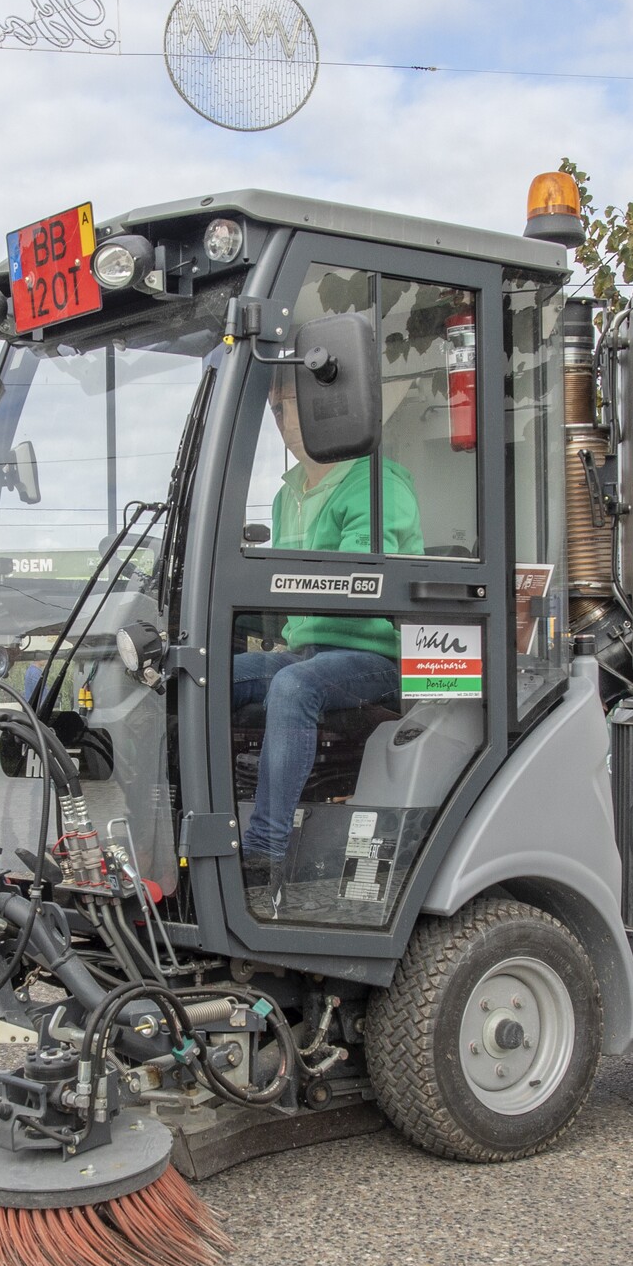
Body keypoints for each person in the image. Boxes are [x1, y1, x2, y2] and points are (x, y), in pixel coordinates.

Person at [233, 369, 423, 894]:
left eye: (287, 405)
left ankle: (264, 850)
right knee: (203, 675)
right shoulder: (286, 493)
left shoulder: (377, 482)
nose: (280, 421)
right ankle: (195, 825)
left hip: (376, 656)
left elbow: (361, 571)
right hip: (304, 650)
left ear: (322, 405)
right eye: (273, 411)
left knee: (294, 688)